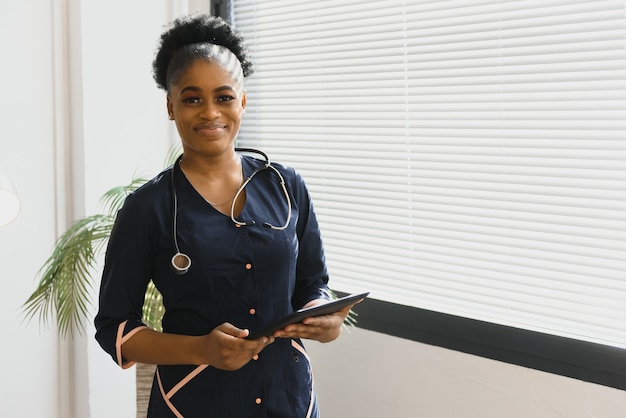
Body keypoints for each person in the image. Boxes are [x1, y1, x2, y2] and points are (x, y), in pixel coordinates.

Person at [94, 12, 359, 418]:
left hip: (288, 400)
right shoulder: (148, 208)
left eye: (223, 97)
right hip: (194, 403)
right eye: (192, 98)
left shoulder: (287, 187)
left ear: (243, 101)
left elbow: (314, 286)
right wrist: (200, 348)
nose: (210, 113)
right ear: (170, 105)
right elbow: (115, 329)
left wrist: (326, 321)